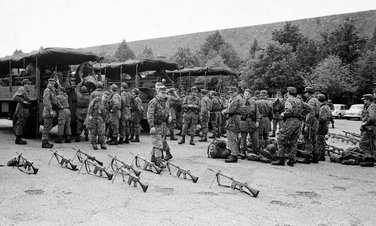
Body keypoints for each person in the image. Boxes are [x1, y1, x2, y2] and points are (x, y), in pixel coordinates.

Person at [272, 87, 311, 166]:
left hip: (290, 121)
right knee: (294, 140)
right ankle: (291, 159)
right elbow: (309, 108)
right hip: (298, 121)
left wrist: (283, 114)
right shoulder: (299, 100)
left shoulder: (289, 100)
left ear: (288, 93)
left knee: (280, 137)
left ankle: (281, 158)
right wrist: (301, 114)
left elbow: (288, 110)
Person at [147, 83, 172, 168]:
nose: (164, 94)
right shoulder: (154, 102)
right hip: (156, 125)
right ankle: (158, 161)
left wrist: (169, 116)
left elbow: (167, 110)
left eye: (165, 93)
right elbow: (150, 114)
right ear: (158, 92)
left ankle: (153, 158)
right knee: (158, 143)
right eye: (162, 93)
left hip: (163, 125)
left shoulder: (165, 101)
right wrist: (152, 126)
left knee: (159, 142)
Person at [222, 87, 243, 163]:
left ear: (236, 92)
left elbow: (231, 110)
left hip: (234, 119)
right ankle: (234, 153)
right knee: (235, 136)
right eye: (230, 92)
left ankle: (234, 155)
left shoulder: (236, 99)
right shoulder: (238, 98)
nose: (231, 94)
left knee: (232, 136)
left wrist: (224, 111)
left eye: (232, 92)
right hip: (236, 118)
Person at [302, 86, 321, 163]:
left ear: (307, 93)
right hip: (315, 122)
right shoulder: (317, 100)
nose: (304, 95)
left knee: (307, 139)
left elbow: (310, 113)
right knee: (314, 140)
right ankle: (315, 157)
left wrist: (306, 124)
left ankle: (307, 157)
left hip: (311, 122)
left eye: (305, 93)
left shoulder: (311, 101)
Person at [239, 89, 260, 155]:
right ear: (244, 94)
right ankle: (243, 150)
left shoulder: (254, 103)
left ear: (250, 95)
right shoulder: (241, 102)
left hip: (252, 122)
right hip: (243, 122)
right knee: (243, 138)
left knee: (255, 138)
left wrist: (257, 121)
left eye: (248, 94)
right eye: (246, 94)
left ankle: (255, 150)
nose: (247, 95)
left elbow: (257, 113)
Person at [359, 94, 376, 167]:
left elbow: (372, 117)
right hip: (369, 128)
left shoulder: (372, 106)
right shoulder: (368, 106)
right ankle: (371, 158)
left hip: (370, 128)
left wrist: (365, 123)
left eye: (364, 99)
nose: (363, 101)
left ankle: (369, 159)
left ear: (368, 100)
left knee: (363, 143)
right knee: (371, 144)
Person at [13, 79, 31, 145]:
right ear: (24, 84)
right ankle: (18, 139)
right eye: (27, 84)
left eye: (29, 84)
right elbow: (15, 97)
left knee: (22, 123)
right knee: (20, 123)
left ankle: (19, 138)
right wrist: (23, 101)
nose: (29, 85)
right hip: (21, 109)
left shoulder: (26, 90)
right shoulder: (22, 89)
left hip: (24, 109)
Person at [41, 78, 57, 148]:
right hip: (48, 111)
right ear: (48, 83)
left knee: (49, 126)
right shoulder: (47, 91)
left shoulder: (52, 90)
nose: (52, 85)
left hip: (51, 110)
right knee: (47, 126)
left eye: (53, 83)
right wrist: (50, 110)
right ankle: (44, 142)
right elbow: (46, 101)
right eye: (50, 83)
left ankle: (46, 140)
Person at [317, 94, 331, 161]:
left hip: (322, 126)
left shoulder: (323, 108)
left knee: (320, 140)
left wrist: (317, 119)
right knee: (322, 141)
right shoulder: (327, 106)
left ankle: (321, 155)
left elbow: (323, 118)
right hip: (325, 125)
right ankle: (321, 154)